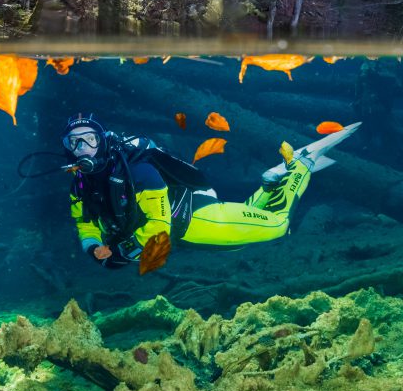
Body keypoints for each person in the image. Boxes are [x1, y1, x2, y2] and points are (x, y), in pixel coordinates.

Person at [60, 112, 316, 272]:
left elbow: (160, 228)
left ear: (102, 140)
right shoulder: (81, 185)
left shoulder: (139, 172)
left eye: (89, 138)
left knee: (279, 226)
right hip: (191, 236)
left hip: (203, 219)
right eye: (74, 141)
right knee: (242, 242)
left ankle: (301, 166)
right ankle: (269, 185)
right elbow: (86, 225)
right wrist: (94, 249)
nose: (82, 147)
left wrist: (122, 251)